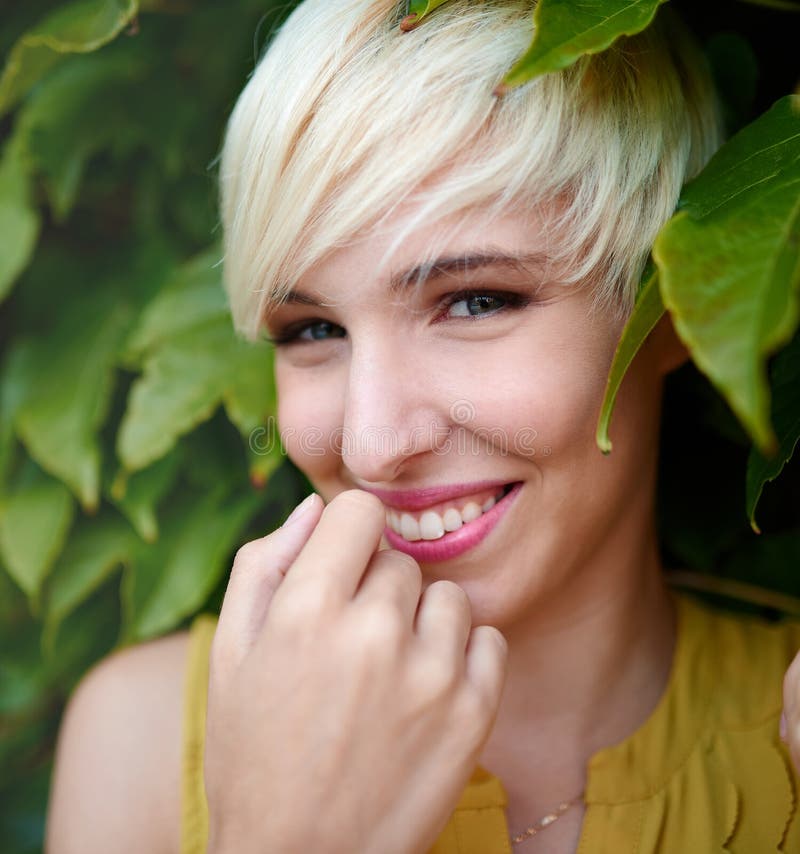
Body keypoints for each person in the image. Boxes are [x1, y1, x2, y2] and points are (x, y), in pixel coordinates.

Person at [45, 1, 800, 852]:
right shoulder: (139, 738)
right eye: (312, 330)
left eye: (476, 302)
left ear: (666, 311)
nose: (372, 444)